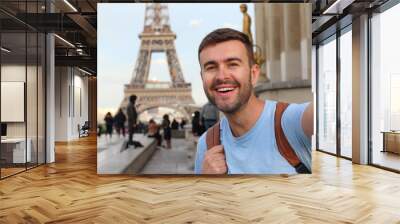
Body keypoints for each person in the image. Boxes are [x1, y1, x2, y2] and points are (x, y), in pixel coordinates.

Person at [195, 28, 313, 174]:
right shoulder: (206, 144)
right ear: (202, 78)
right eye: (211, 67)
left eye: (233, 64)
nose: (221, 76)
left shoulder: (292, 122)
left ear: (254, 74)